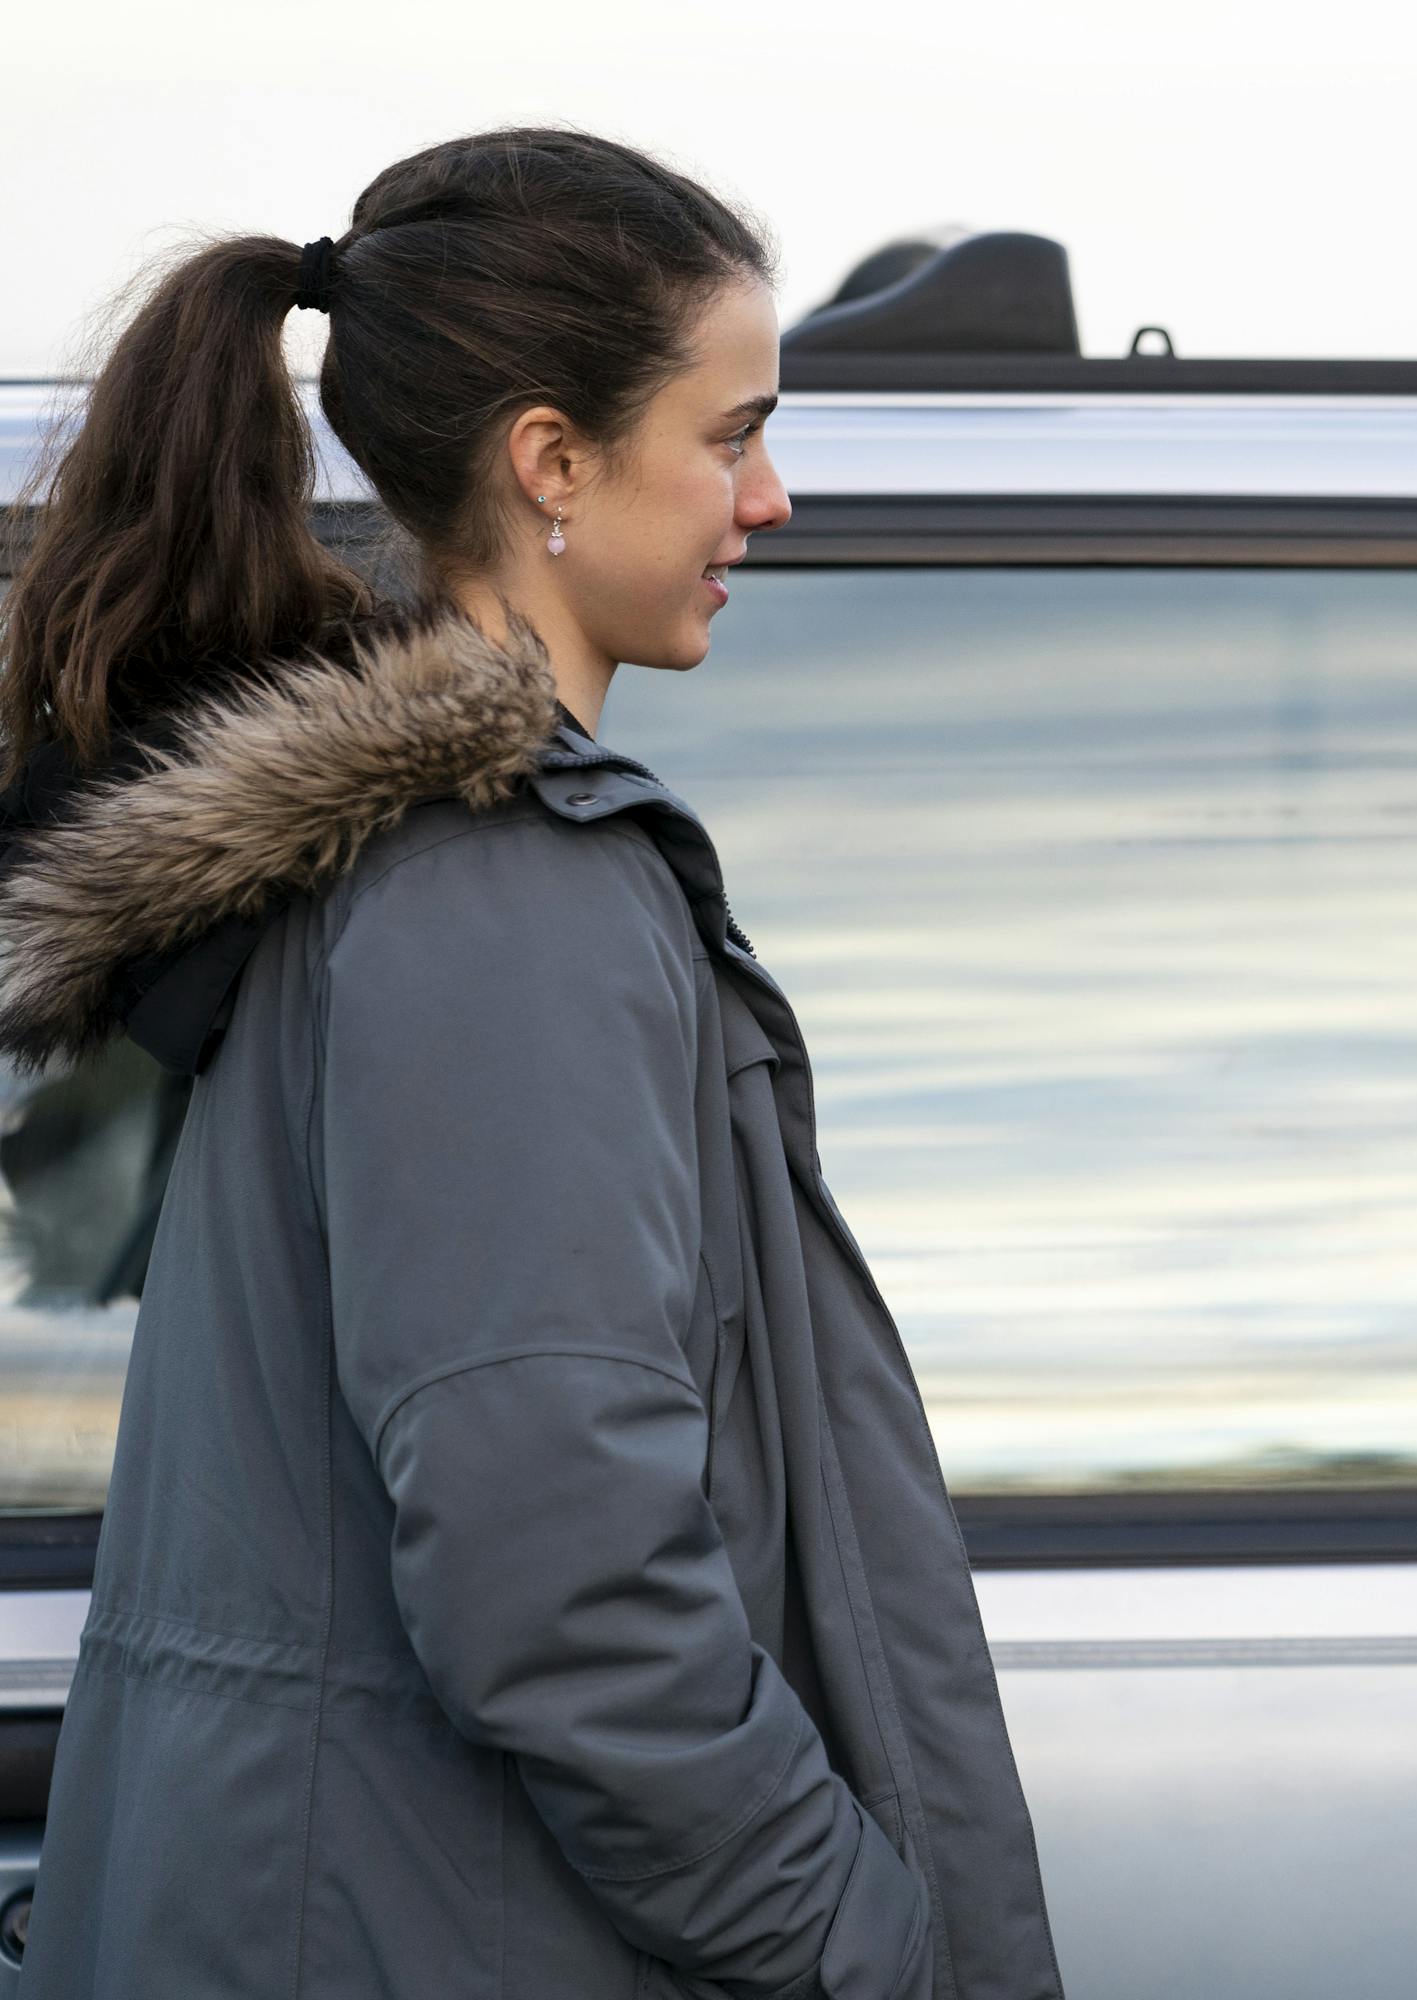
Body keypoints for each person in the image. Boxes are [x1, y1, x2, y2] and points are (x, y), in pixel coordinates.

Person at [0, 129, 1060, 1999]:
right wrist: (858, 1944)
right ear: (553, 463)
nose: (774, 498)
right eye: (730, 436)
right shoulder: (501, 892)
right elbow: (561, 1579)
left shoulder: (401, 876)